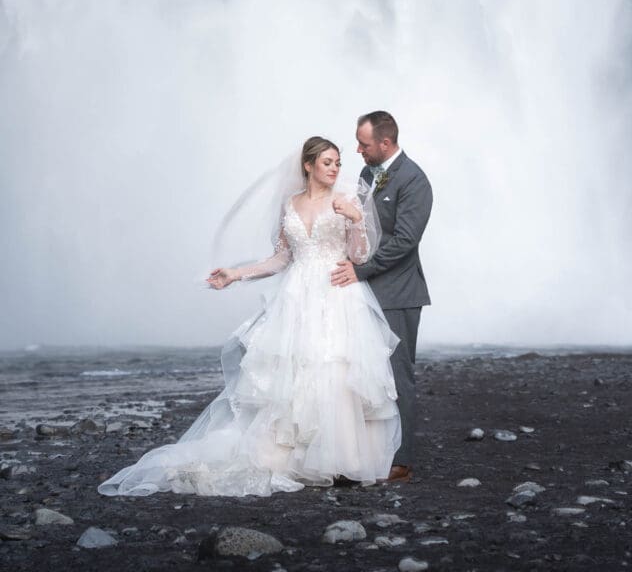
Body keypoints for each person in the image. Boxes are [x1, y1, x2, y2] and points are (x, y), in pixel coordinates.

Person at [98, 136, 400, 498]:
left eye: (338, 162)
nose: (336, 168)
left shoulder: (346, 202)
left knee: (332, 369)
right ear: (308, 166)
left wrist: (356, 221)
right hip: (297, 296)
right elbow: (280, 259)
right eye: (328, 162)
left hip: (336, 293)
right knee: (294, 375)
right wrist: (235, 274)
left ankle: (341, 461)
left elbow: (360, 256)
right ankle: (298, 458)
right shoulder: (290, 204)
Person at [331, 111, 432, 483]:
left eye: (364, 144)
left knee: (397, 375)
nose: (357, 149)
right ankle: (367, 450)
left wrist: (360, 270)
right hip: (363, 291)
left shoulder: (414, 180)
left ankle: (401, 460)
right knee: (362, 371)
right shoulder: (365, 174)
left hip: (398, 294)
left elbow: (405, 241)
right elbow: (362, 228)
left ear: (385, 143)